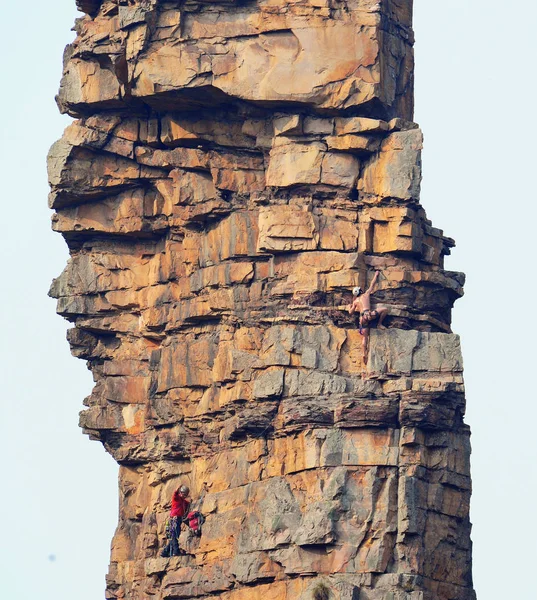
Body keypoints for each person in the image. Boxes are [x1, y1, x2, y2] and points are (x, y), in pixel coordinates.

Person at [348, 271, 388, 363]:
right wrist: (376, 275)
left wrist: (349, 307)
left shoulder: (355, 302)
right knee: (384, 309)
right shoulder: (366, 294)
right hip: (368, 314)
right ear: (360, 291)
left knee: (364, 337)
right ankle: (379, 324)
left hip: (362, 319)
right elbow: (372, 285)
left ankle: (364, 353)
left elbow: (350, 312)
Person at [161, 485, 191, 557]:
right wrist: (178, 487)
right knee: (174, 535)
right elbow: (175, 493)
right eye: (183, 494)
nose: (184, 496)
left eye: (185, 495)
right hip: (174, 519)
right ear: (180, 492)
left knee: (174, 535)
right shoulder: (176, 498)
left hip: (179, 519)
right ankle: (175, 551)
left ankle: (164, 552)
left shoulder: (184, 502)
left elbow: (188, 504)